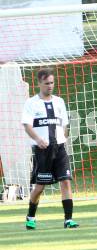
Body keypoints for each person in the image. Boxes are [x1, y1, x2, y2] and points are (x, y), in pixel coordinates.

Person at [22, 68, 78, 230]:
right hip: (42, 150)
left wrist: (64, 139)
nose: (50, 86)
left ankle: (68, 220)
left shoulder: (59, 101)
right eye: (47, 83)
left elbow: (65, 124)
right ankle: (31, 216)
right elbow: (27, 125)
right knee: (39, 187)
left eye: (52, 83)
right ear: (39, 83)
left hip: (59, 148)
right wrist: (38, 139)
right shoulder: (31, 103)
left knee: (65, 181)